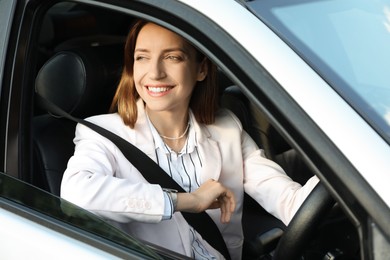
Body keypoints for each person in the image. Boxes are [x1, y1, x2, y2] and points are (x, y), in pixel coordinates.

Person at [61, 19, 319, 260]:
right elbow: (76, 195)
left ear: (202, 69)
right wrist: (187, 201)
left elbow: (287, 200)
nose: (155, 73)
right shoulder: (102, 132)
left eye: (172, 57)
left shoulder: (226, 127)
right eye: (142, 58)